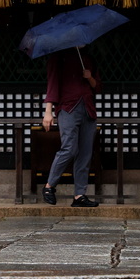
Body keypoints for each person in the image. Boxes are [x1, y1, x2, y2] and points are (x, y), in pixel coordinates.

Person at [41, 45, 102, 207]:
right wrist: (48, 111)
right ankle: (49, 186)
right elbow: (52, 83)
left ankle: (79, 195)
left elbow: (98, 86)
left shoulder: (88, 59)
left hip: (88, 109)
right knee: (69, 148)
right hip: (68, 108)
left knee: (85, 153)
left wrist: (89, 77)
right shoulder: (58, 58)